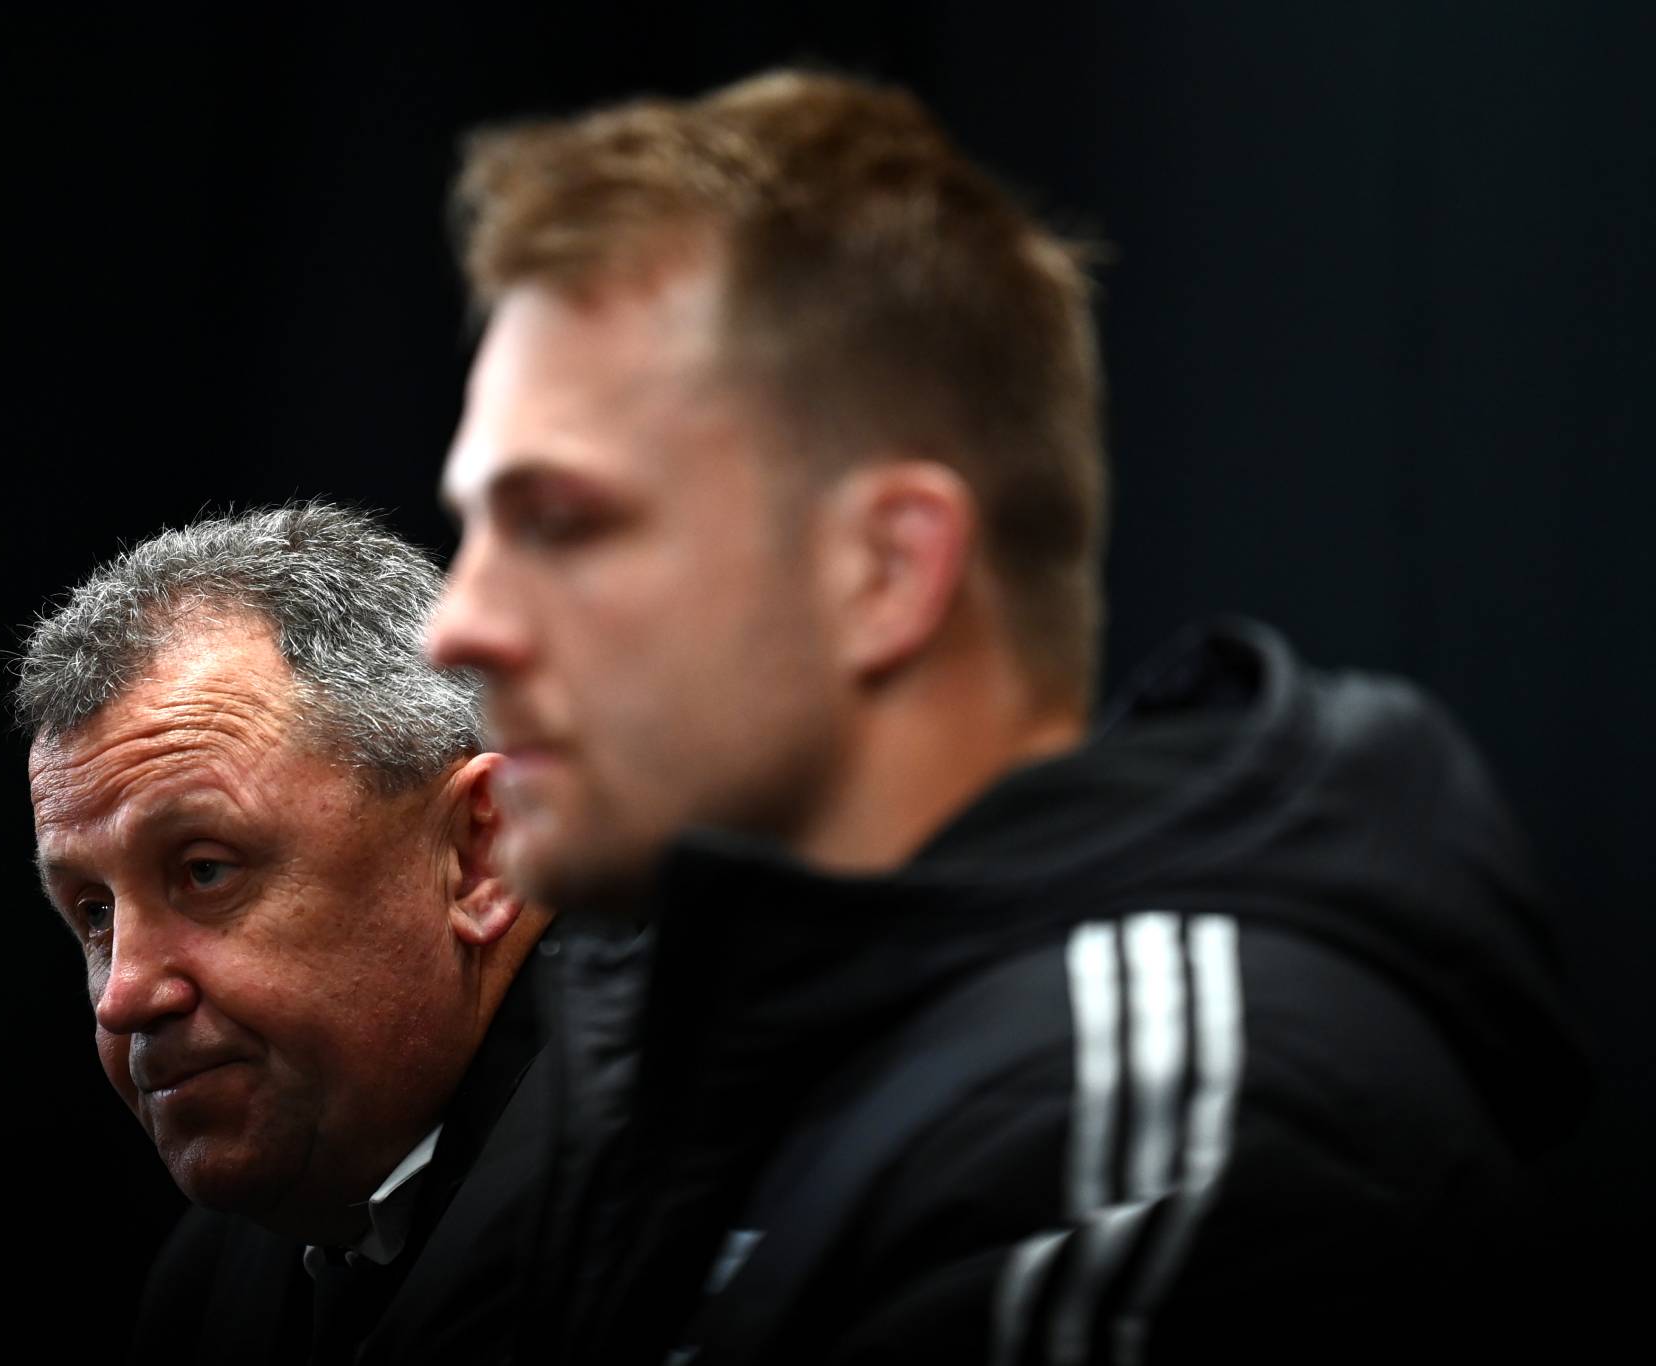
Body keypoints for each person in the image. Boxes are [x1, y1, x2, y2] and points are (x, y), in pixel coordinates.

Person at [426, 70, 1585, 1364]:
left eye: (562, 522)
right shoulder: (720, 1077)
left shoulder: (1155, 1136)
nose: (456, 624)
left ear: (886, 571)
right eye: (473, 528)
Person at [17, 502, 553, 1365]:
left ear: (478, 853)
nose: (124, 995)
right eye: (95, 914)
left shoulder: (682, 1202)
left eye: (205, 870)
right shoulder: (207, 1284)